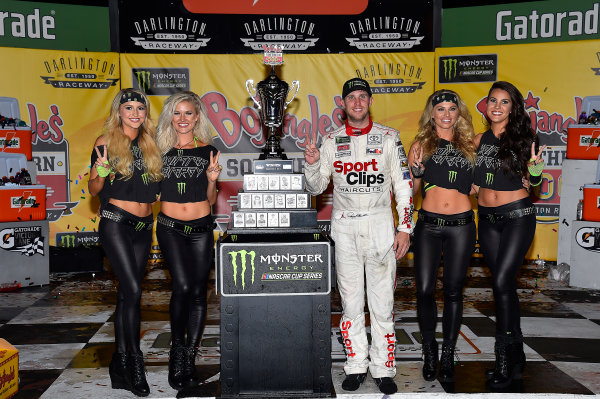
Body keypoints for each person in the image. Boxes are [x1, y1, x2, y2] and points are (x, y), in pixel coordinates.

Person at [304, 78, 413, 395]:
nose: (357, 102)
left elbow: (404, 187)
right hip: (345, 229)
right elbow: (315, 187)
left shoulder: (390, 138)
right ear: (342, 104)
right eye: (351, 97)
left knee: (382, 305)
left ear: (370, 101)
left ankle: (383, 369)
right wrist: (311, 165)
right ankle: (355, 366)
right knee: (350, 305)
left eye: (362, 96)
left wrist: (405, 228)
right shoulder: (330, 140)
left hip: (380, 225)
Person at [88, 88, 163, 397]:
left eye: (139, 108)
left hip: (144, 226)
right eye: (128, 107)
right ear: (118, 111)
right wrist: (101, 174)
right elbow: (93, 189)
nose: (134, 112)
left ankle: (119, 364)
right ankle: (134, 363)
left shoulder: (152, 145)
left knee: (127, 297)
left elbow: (159, 187)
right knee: (132, 290)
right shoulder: (105, 143)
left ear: (145, 113)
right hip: (116, 222)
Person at [473, 81, 545, 389]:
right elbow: (471, 183)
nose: (497, 106)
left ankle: (502, 358)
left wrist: (538, 170)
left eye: (504, 102)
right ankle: (517, 352)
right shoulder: (477, 140)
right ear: (486, 106)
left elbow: (534, 181)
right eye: (493, 101)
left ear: (513, 108)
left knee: (502, 283)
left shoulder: (524, 139)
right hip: (487, 219)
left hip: (518, 217)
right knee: (504, 288)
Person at [408, 90, 476, 383]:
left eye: (452, 108)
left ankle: (448, 353)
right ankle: (430, 349)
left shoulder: (471, 146)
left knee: (452, 291)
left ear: (458, 114)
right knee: (423, 289)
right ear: (431, 113)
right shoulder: (420, 144)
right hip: (429, 225)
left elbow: (479, 188)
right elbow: (411, 190)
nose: (446, 114)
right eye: (441, 109)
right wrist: (415, 172)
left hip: (461, 225)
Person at [155, 91, 221, 390]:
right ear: (171, 116)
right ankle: (176, 354)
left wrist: (211, 179)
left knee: (197, 292)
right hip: (170, 227)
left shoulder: (209, 150)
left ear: (197, 117)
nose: (182, 119)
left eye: (189, 113)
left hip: (202, 227)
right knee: (181, 287)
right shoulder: (157, 151)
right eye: (177, 113)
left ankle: (187, 359)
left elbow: (211, 199)